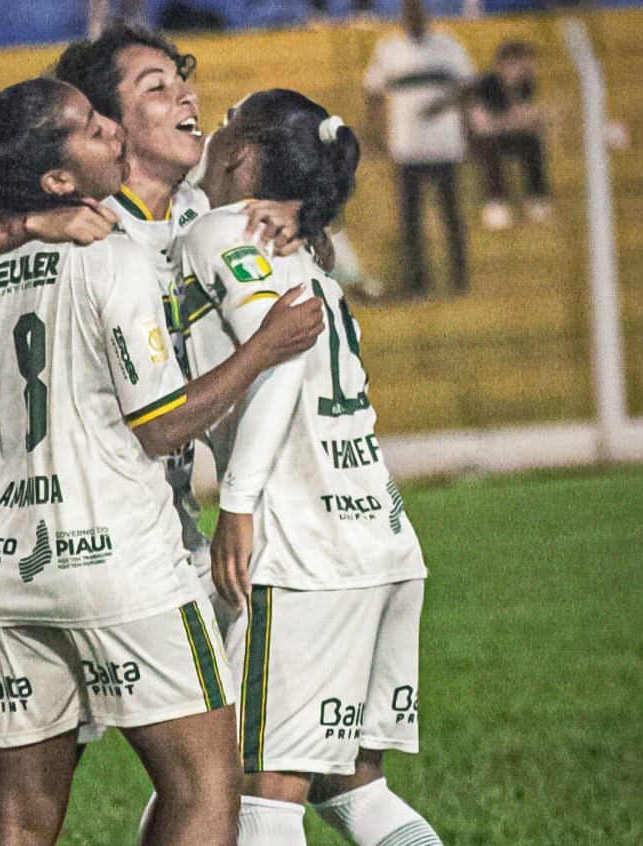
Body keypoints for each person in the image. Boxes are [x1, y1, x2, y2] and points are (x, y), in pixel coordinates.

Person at [0, 76, 325, 846]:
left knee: (19, 814)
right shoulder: (115, 262)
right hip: (124, 565)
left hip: (7, 569)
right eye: (93, 129)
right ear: (59, 180)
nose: (115, 131)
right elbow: (161, 427)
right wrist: (263, 349)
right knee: (203, 790)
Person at [181, 90, 443, 845]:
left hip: (305, 552)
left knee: (258, 791)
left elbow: (281, 354)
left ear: (240, 149)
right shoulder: (301, 242)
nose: (211, 125)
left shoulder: (226, 229)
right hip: (378, 540)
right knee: (350, 784)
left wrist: (237, 500)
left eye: (226, 117)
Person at [363, 0, 475, 297]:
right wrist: (373, 135)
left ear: (425, 15)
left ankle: (459, 280)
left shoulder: (449, 45)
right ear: (402, 18)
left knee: (451, 215)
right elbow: (373, 93)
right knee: (410, 220)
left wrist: (447, 106)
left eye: (418, 14)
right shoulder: (388, 49)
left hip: (445, 146)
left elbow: (468, 87)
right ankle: (417, 282)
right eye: (408, 15)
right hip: (407, 148)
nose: (413, 19)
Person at [467, 40, 552, 230]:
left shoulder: (525, 86)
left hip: (502, 133)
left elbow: (529, 120)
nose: (528, 68)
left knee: (532, 140)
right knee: (491, 144)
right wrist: (515, 121)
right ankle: (495, 203)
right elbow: (481, 126)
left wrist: (521, 120)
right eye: (522, 63)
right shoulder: (485, 85)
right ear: (505, 64)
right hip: (471, 140)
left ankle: (537, 198)